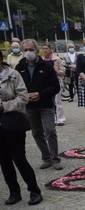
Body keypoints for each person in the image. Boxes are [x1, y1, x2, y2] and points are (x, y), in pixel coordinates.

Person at [0, 51, 42, 205]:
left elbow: (23, 98)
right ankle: (14, 192)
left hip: (12, 121)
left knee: (19, 158)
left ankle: (34, 190)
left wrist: (4, 106)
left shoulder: (13, 75)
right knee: (4, 161)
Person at [15, 39, 62, 170]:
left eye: (31, 49)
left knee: (50, 130)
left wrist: (40, 94)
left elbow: (55, 86)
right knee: (36, 132)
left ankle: (55, 159)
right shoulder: (20, 67)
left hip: (45, 104)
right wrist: (25, 95)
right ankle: (46, 157)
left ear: (36, 50)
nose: (28, 52)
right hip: (29, 106)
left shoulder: (46, 66)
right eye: (25, 50)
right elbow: (16, 86)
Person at [40, 43, 66, 126]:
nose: (45, 50)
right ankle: (52, 118)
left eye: (46, 48)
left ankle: (60, 119)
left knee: (57, 101)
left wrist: (56, 72)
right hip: (45, 83)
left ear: (50, 49)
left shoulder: (56, 59)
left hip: (56, 81)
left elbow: (62, 71)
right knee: (49, 101)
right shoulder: (41, 60)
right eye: (43, 48)